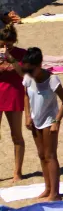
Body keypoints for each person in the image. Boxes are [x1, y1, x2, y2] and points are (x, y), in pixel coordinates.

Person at [21, 47, 63, 202]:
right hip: (35, 120)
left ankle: (55, 194)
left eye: (30, 69)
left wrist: (56, 121)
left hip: (50, 120)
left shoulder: (52, 80)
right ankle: (47, 188)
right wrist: (27, 115)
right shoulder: (28, 77)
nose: (28, 72)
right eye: (25, 69)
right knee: (41, 155)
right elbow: (26, 95)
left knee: (50, 155)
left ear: (39, 65)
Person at [0, 24, 27, 184]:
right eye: (2, 44)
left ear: (14, 41)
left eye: (8, 44)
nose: (5, 47)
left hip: (14, 95)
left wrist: (11, 59)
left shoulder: (21, 54)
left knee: (16, 135)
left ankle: (17, 172)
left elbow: (23, 74)